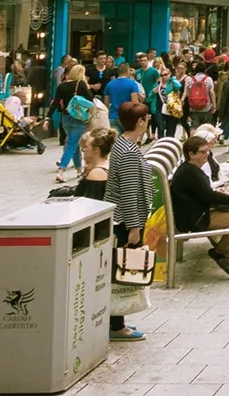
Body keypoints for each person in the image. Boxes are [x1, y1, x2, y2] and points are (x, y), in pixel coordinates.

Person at [106, 103, 153, 341]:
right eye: (146, 118)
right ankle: (116, 325)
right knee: (122, 272)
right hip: (125, 221)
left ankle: (117, 320)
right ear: (141, 122)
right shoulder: (128, 152)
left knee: (121, 270)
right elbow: (129, 193)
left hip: (124, 219)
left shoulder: (124, 145)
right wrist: (134, 228)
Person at [170, 135, 229, 278]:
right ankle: (223, 254)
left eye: (208, 152)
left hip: (196, 212)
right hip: (194, 219)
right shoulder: (190, 172)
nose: (207, 155)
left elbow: (205, 194)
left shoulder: (191, 169)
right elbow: (209, 196)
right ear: (191, 155)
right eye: (203, 152)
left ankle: (223, 253)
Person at [54, 64, 92, 182]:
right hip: (78, 118)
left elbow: (55, 102)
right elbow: (90, 98)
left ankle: (79, 170)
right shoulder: (81, 84)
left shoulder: (62, 86)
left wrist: (47, 118)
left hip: (65, 117)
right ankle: (61, 171)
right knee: (72, 144)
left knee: (74, 143)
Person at [72, 128, 115, 200]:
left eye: (86, 147)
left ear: (96, 150)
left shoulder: (96, 173)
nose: (83, 150)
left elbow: (90, 205)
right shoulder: (104, 168)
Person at [103, 62, 142, 133]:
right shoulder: (132, 84)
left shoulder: (109, 84)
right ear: (128, 71)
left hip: (113, 116)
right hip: (127, 116)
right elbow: (134, 102)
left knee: (114, 139)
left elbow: (106, 103)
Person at [185, 63, 216, 130]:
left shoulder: (191, 79)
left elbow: (188, 94)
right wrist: (214, 105)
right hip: (206, 107)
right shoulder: (208, 79)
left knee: (194, 127)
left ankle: (194, 139)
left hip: (194, 107)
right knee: (207, 126)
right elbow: (212, 93)